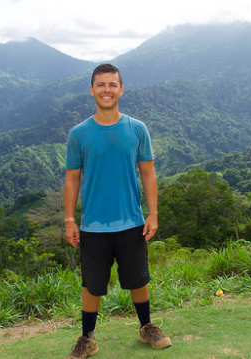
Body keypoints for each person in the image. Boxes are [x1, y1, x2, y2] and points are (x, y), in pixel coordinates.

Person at [63, 63, 171, 358]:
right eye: (101, 85)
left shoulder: (137, 129)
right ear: (91, 90)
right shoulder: (79, 134)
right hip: (93, 225)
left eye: (112, 84)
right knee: (92, 285)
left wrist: (153, 214)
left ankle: (147, 327)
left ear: (121, 90)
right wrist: (70, 219)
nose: (106, 90)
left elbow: (148, 173)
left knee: (139, 280)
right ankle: (87, 339)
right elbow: (72, 178)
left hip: (131, 221)